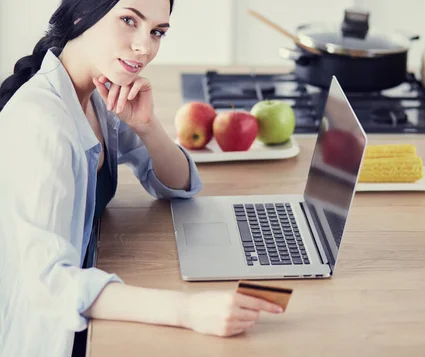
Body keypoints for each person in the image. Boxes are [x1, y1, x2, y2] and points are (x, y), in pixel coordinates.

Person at [0, 1, 284, 356]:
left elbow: (180, 185)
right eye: (128, 20)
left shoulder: (98, 93)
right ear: (79, 15)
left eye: (157, 32)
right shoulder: (41, 123)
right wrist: (187, 310)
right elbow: (45, 284)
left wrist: (148, 128)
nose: (145, 46)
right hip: (50, 333)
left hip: (91, 294)